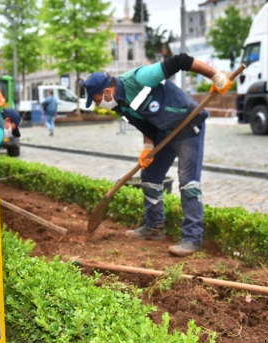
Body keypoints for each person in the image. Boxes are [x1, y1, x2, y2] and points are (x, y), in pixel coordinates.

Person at [84, 54, 232, 256]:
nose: (98, 104)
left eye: (97, 99)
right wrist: (147, 147)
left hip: (188, 126)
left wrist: (216, 76)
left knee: (188, 182)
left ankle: (192, 238)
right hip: (164, 133)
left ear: (107, 91)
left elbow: (181, 61)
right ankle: (154, 227)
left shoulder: (140, 78)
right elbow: (145, 122)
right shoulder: (119, 104)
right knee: (150, 177)